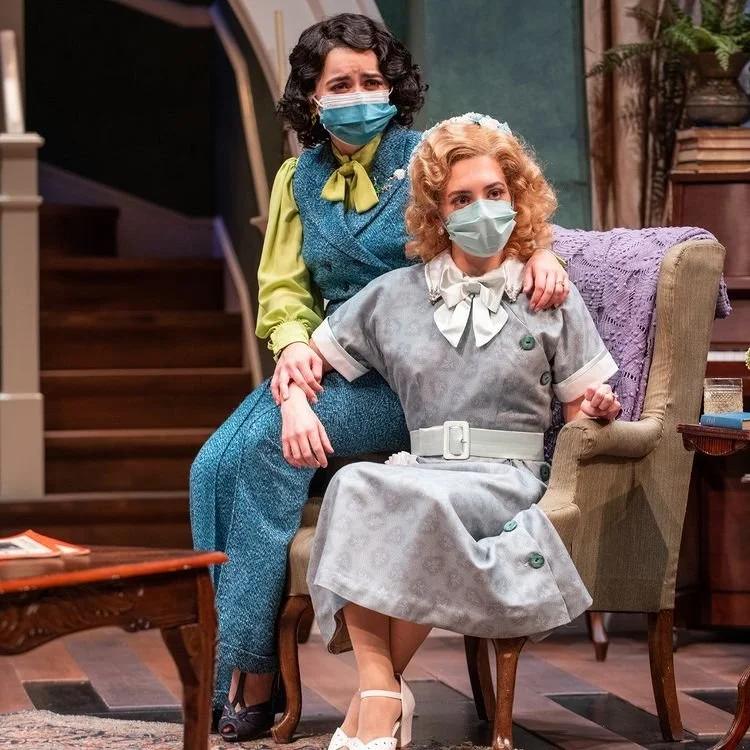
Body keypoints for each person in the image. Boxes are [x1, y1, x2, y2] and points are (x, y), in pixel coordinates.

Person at [189, 14, 570, 742]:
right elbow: (283, 288)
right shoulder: (296, 178)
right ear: (311, 98)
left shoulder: (428, 158)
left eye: (372, 81)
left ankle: (253, 676)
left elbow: (502, 205)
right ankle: (231, 658)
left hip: (417, 378)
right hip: (329, 358)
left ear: (393, 88)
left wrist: (543, 251)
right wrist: (292, 349)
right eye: (340, 84)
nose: (359, 95)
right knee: (212, 466)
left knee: (266, 451)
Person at [280, 113, 620, 750]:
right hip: (426, 472)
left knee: (408, 503)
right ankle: (381, 693)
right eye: (462, 198)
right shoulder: (392, 296)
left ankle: (376, 702)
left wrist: (596, 411)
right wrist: (296, 402)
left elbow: (583, 415)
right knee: (356, 484)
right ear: (437, 212)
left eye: (494, 192)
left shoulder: (549, 292)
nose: (481, 208)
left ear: (516, 197)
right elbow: (305, 361)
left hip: (509, 481)